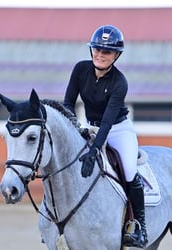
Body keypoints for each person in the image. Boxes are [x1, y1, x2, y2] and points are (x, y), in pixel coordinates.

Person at [63, 25, 147, 248]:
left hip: (118, 130)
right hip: (88, 126)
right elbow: (68, 103)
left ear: (116, 55)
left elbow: (109, 122)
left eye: (106, 51)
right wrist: (74, 127)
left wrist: (93, 150)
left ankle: (139, 226)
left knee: (129, 170)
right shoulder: (80, 70)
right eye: (97, 49)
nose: (100, 54)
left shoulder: (120, 83)